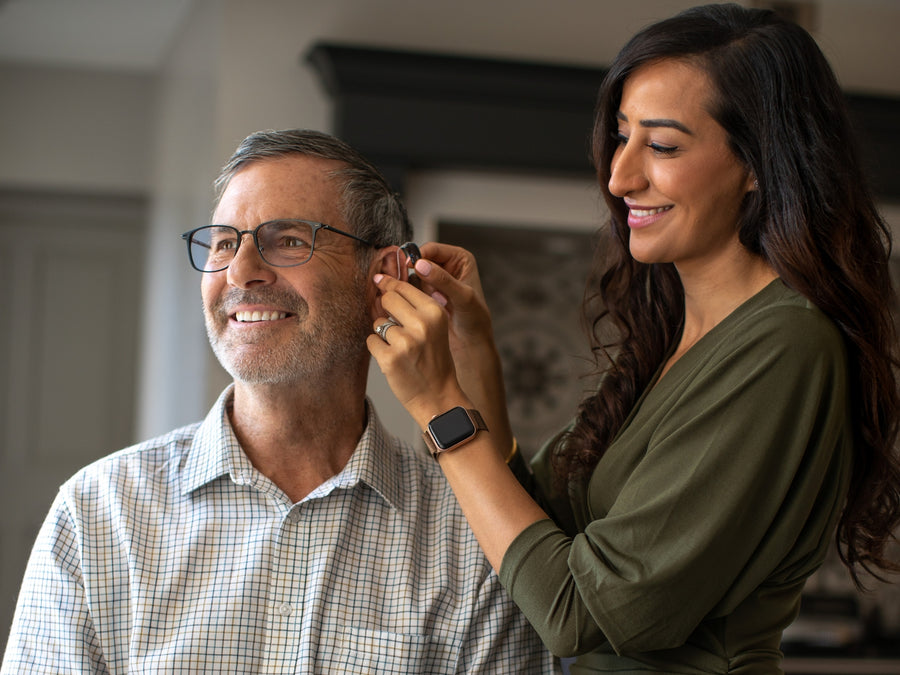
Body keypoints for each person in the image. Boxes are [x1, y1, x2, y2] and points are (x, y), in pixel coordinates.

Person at [367, 4, 900, 673]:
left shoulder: (786, 346)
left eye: (664, 145)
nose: (619, 178)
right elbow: (537, 539)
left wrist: (438, 405)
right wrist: (473, 349)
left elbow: (578, 613)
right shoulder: (678, 337)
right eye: (621, 137)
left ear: (759, 163)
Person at [1, 129, 557, 674]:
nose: (240, 272)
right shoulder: (98, 516)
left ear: (383, 276)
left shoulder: (472, 538)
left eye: (288, 239)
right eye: (223, 243)